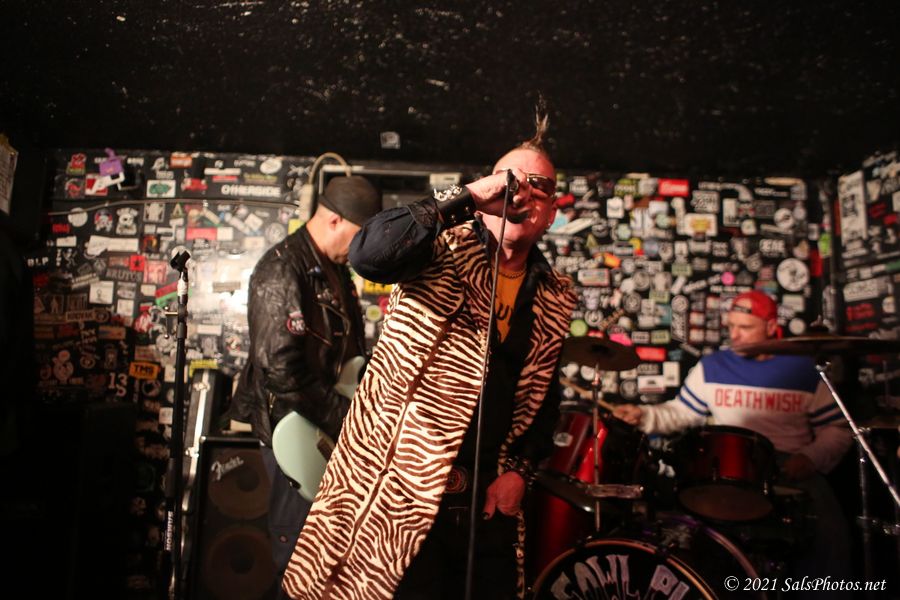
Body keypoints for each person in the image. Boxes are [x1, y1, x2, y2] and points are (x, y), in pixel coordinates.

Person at [281, 124, 577, 600]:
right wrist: (468, 197)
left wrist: (520, 473)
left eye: (536, 186)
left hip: (486, 500)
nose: (520, 195)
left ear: (552, 213)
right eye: (509, 181)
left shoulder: (553, 296)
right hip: (400, 491)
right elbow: (368, 253)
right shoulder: (439, 247)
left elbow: (544, 400)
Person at [613, 290, 853, 591]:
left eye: (745, 327)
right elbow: (682, 413)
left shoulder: (803, 370)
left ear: (771, 325)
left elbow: (838, 429)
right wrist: (644, 416)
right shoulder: (714, 366)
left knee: (829, 535)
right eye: (731, 326)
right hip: (729, 467)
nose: (735, 335)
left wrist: (810, 458)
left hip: (790, 469)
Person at [229, 176, 382, 590]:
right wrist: (344, 418)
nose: (362, 249)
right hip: (294, 430)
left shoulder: (336, 270)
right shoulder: (282, 267)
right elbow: (278, 367)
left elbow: (346, 357)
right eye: (360, 236)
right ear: (334, 220)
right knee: (299, 558)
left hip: (322, 427)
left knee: (328, 562)